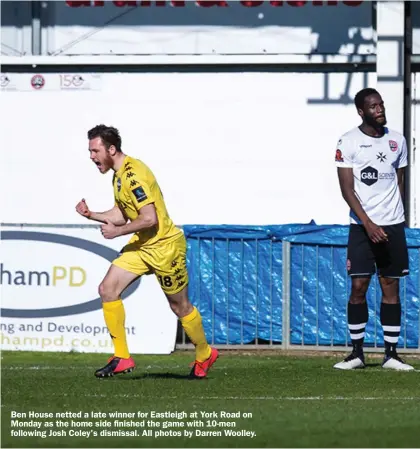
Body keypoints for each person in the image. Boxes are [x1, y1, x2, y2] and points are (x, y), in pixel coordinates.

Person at [76, 124, 218, 378]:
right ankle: (122, 357)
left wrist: (117, 233)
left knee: (180, 307)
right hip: (143, 245)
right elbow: (122, 213)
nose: (91, 156)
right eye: (90, 151)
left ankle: (205, 353)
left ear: (111, 149)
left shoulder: (134, 176)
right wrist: (92, 215)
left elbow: (149, 218)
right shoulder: (118, 175)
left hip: (165, 248)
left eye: (95, 150)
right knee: (107, 289)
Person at [334, 88, 413, 371]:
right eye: (373, 106)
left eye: (381, 104)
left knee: (390, 286)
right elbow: (347, 189)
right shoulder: (348, 141)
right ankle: (357, 353)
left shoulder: (397, 141)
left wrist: (396, 218)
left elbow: (399, 181)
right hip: (361, 227)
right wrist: (368, 224)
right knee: (358, 286)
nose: (380, 109)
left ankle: (391, 354)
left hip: (392, 226)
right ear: (361, 111)